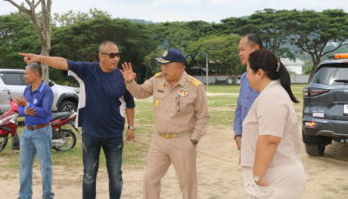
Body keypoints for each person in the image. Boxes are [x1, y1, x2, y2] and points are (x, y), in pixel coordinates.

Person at [19, 40, 135, 199]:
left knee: (115, 175)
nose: (116, 59)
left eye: (118, 55)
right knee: (89, 175)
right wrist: (39, 58)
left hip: (114, 134)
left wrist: (131, 127)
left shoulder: (122, 77)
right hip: (91, 133)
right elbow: (63, 63)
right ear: (101, 56)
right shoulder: (88, 70)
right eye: (112, 55)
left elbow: (130, 103)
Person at [120, 48, 209, 199]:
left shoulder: (195, 86)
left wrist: (193, 139)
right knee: (150, 179)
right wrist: (130, 82)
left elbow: (203, 116)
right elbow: (140, 92)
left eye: (167, 65)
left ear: (180, 66)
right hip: (159, 141)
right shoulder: (157, 80)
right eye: (162, 65)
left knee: (187, 184)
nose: (163, 68)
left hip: (183, 141)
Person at [241, 49, 305, 199]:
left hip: (275, 177)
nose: (246, 76)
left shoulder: (272, 97)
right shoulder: (271, 94)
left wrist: (257, 176)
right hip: (273, 174)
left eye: (248, 71)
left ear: (260, 73)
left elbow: (270, 139)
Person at [15, 63, 55, 199]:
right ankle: (24, 196)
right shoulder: (27, 89)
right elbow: (21, 110)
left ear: (36, 74)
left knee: (45, 166)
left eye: (27, 73)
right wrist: (25, 109)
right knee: (24, 166)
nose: (25, 76)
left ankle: (48, 196)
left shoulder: (46, 91)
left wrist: (28, 106)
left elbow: (45, 112)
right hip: (27, 131)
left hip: (42, 132)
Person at [234, 34, 263, 150]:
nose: (240, 54)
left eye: (243, 50)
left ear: (255, 49)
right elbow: (240, 109)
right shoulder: (244, 77)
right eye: (239, 50)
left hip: (262, 141)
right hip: (245, 141)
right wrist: (238, 134)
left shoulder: (269, 78)